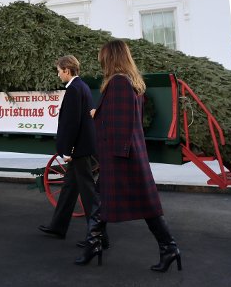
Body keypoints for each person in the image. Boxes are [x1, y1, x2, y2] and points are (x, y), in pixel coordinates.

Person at [77, 39, 182, 272]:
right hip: (126, 153)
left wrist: (96, 117)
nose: (101, 61)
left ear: (112, 58)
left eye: (103, 57)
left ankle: (169, 248)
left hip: (121, 156)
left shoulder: (118, 83)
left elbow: (121, 124)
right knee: (103, 200)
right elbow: (128, 120)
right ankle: (94, 244)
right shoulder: (130, 82)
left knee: (142, 206)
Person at [38, 55, 101, 247]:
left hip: (79, 149)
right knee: (69, 188)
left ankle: (98, 236)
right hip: (83, 146)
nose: (58, 75)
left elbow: (72, 123)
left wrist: (67, 149)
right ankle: (58, 226)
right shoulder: (82, 86)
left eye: (59, 71)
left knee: (88, 193)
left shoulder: (74, 89)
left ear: (67, 70)